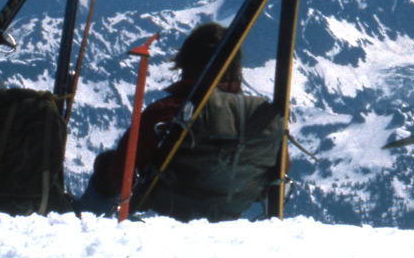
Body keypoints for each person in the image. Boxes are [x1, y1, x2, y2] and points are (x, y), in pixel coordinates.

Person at [82, 22, 285, 221]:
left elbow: (121, 174)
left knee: (107, 164)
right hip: (229, 215)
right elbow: (276, 173)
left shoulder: (165, 112)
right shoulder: (260, 119)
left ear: (185, 64)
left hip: (165, 216)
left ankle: (80, 221)